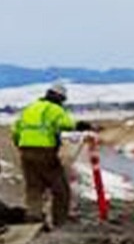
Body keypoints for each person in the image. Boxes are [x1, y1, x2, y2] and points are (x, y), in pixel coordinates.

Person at [9, 83, 93, 227]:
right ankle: (60, 223)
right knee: (60, 190)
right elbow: (66, 124)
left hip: (26, 150)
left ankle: (33, 219)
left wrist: (21, 145)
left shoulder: (30, 108)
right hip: (45, 151)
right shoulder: (55, 109)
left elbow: (15, 129)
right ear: (60, 98)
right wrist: (81, 125)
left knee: (34, 187)